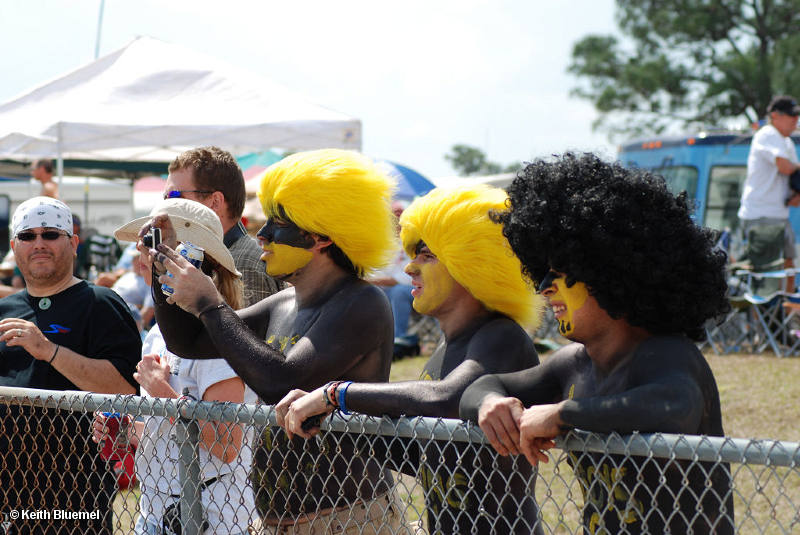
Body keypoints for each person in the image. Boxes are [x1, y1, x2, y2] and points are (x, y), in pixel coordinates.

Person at [460, 153, 735, 535]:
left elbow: (675, 405)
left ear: (610, 273)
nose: (544, 287)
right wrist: (491, 403)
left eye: (560, 271)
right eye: (543, 272)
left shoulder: (666, 352)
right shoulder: (573, 363)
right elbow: (482, 386)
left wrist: (563, 414)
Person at [140, 149, 401, 532]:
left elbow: (284, 381)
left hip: (349, 516)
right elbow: (188, 341)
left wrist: (211, 304)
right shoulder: (284, 302)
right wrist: (162, 264)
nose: (261, 235)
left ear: (320, 237)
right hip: (279, 519)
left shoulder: (361, 301)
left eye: (277, 225)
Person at [277, 184, 545, 534]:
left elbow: (447, 396)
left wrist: (335, 394)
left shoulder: (501, 337)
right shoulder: (446, 350)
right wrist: (338, 419)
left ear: (471, 264)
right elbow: (425, 457)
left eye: (427, 256)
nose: (409, 269)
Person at [93, 198, 256, 534]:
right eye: (145, 245)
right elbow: (170, 434)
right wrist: (126, 431)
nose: (141, 257)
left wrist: (162, 392)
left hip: (212, 518)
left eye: (152, 245)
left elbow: (226, 446)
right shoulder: (159, 334)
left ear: (187, 258)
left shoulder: (217, 337)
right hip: (157, 511)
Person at [0, 196, 141, 535]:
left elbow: (126, 388)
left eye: (50, 234)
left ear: (74, 243)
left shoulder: (101, 303)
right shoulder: (6, 309)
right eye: (28, 236)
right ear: (14, 247)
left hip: (73, 488)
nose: (39, 244)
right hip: (8, 486)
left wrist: (49, 350)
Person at [163, 146, 283, 306]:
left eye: (175, 195)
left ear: (215, 202)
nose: (167, 204)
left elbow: (242, 324)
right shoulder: (224, 257)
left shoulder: (245, 264)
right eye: (165, 197)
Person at [738, 95, 800, 289]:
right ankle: (762, 308)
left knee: (789, 266)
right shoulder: (767, 134)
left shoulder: (786, 142)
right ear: (775, 116)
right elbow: (785, 167)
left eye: (797, 115)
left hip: (778, 214)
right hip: (761, 215)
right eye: (791, 115)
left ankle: (784, 306)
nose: (795, 119)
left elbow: (793, 176)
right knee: (766, 276)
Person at [369, 200, 419, 358]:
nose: (396, 222)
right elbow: (376, 272)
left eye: (399, 217)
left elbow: (403, 278)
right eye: (393, 218)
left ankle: (397, 339)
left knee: (398, 292)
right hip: (388, 289)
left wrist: (370, 281)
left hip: (413, 289)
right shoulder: (385, 243)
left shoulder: (413, 242)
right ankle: (372, 342)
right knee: (368, 294)